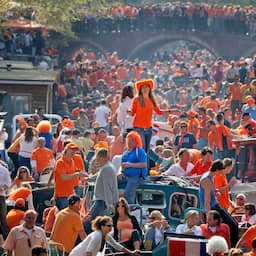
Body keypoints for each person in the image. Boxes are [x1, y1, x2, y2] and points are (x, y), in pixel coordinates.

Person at [199, 159, 238, 247]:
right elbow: (207, 201)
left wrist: (215, 192)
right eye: (220, 171)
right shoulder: (207, 181)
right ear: (217, 170)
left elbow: (209, 193)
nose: (221, 173)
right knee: (233, 226)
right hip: (213, 208)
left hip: (216, 205)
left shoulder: (210, 176)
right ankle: (231, 248)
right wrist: (208, 217)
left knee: (233, 225)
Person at [129, 79, 170, 154]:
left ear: (149, 89)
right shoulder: (137, 100)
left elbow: (159, 112)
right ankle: (142, 164)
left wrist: (170, 111)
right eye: (143, 87)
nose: (145, 89)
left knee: (147, 150)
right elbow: (132, 112)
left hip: (148, 128)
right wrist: (128, 111)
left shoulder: (152, 100)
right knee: (142, 147)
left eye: (146, 87)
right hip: (138, 127)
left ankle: (146, 165)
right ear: (140, 90)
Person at [69, 216, 136, 256]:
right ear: (102, 226)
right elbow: (88, 252)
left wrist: (131, 253)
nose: (111, 228)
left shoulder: (106, 235)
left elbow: (116, 245)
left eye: (112, 226)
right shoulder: (97, 236)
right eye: (108, 226)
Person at [87, 148, 119, 220]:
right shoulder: (107, 167)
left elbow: (107, 187)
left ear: (102, 157)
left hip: (102, 202)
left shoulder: (106, 169)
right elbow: (97, 176)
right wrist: (87, 178)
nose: (97, 160)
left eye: (97, 157)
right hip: (102, 201)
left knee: (90, 222)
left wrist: (109, 205)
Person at [53, 143, 86, 210]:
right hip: (62, 195)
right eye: (72, 150)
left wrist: (81, 173)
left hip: (70, 193)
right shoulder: (60, 162)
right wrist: (77, 174)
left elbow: (74, 171)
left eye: (75, 150)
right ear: (66, 150)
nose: (74, 152)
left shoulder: (72, 161)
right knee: (64, 215)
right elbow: (64, 177)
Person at [121, 131, 147, 204]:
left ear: (136, 141)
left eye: (132, 140)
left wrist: (130, 165)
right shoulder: (126, 152)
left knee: (128, 193)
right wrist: (120, 172)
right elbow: (122, 164)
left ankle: (130, 211)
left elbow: (144, 164)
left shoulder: (139, 151)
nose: (129, 141)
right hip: (126, 175)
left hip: (136, 177)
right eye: (128, 139)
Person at [0, 161, 12, 238]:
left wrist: (2, 188)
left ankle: (6, 239)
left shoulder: (4, 170)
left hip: (1, 196)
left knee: (3, 219)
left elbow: (8, 183)